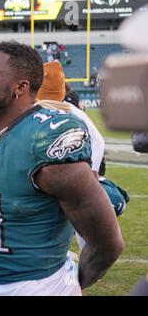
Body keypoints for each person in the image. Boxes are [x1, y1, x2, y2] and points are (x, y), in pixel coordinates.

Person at [0, 41, 123, 296]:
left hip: (42, 284)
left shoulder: (44, 140)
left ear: (21, 87)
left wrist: (69, 285)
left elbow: (107, 244)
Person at [35, 60, 129, 251]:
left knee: (80, 220)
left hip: (68, 173)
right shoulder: (66, 111)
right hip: (54, 174)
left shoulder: (69, 112)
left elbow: (98, 141)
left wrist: (91, 171)